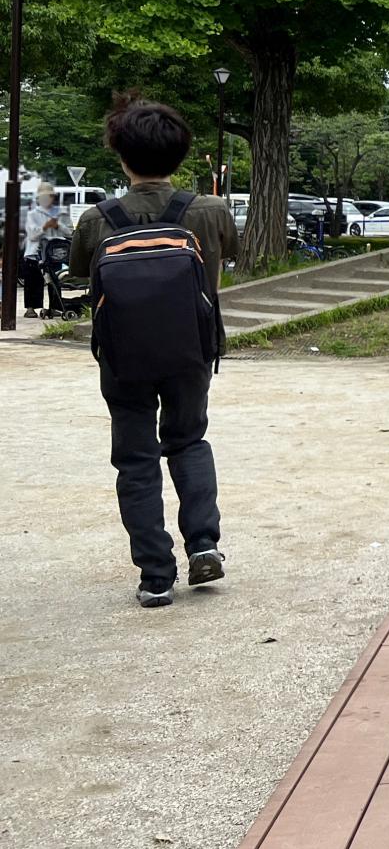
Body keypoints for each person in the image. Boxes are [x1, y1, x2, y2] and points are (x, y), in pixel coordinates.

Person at [69, 96, 238, 608]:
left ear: (121, 156)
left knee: (136, 459)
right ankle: (203, 544)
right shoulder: (209, 211)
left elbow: (79, 273)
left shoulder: (96, 219)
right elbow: (230, 255)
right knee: (189, 441)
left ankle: (155, 575)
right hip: (192, 349)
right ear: (180, 155)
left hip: (123, 357)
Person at [20, 181, 69, 318]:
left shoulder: (61, 212)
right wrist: (45, 227)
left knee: (55, 279)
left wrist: (58, 226)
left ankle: (55, 306)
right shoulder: (33, 214)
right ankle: (31, 308)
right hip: (35, 252)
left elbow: (69, 231)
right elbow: (32, 234)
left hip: (54, 252)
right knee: (32, 280)